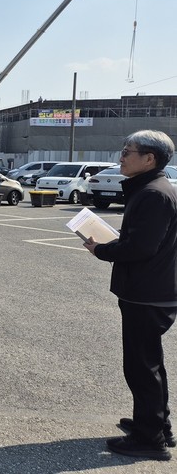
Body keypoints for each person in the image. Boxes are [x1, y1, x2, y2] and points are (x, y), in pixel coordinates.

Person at [84, 130, 177, 462]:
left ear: (149, 159)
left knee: (141, 368)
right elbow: (145, 239)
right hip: (153, 290)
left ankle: (150, 440)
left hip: (147, 292)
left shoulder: (153, 194)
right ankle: (156, 425)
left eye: (128, 151)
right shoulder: (155, 189)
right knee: (150, 363)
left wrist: (101, 249)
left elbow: (141, 248)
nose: (121, 157)